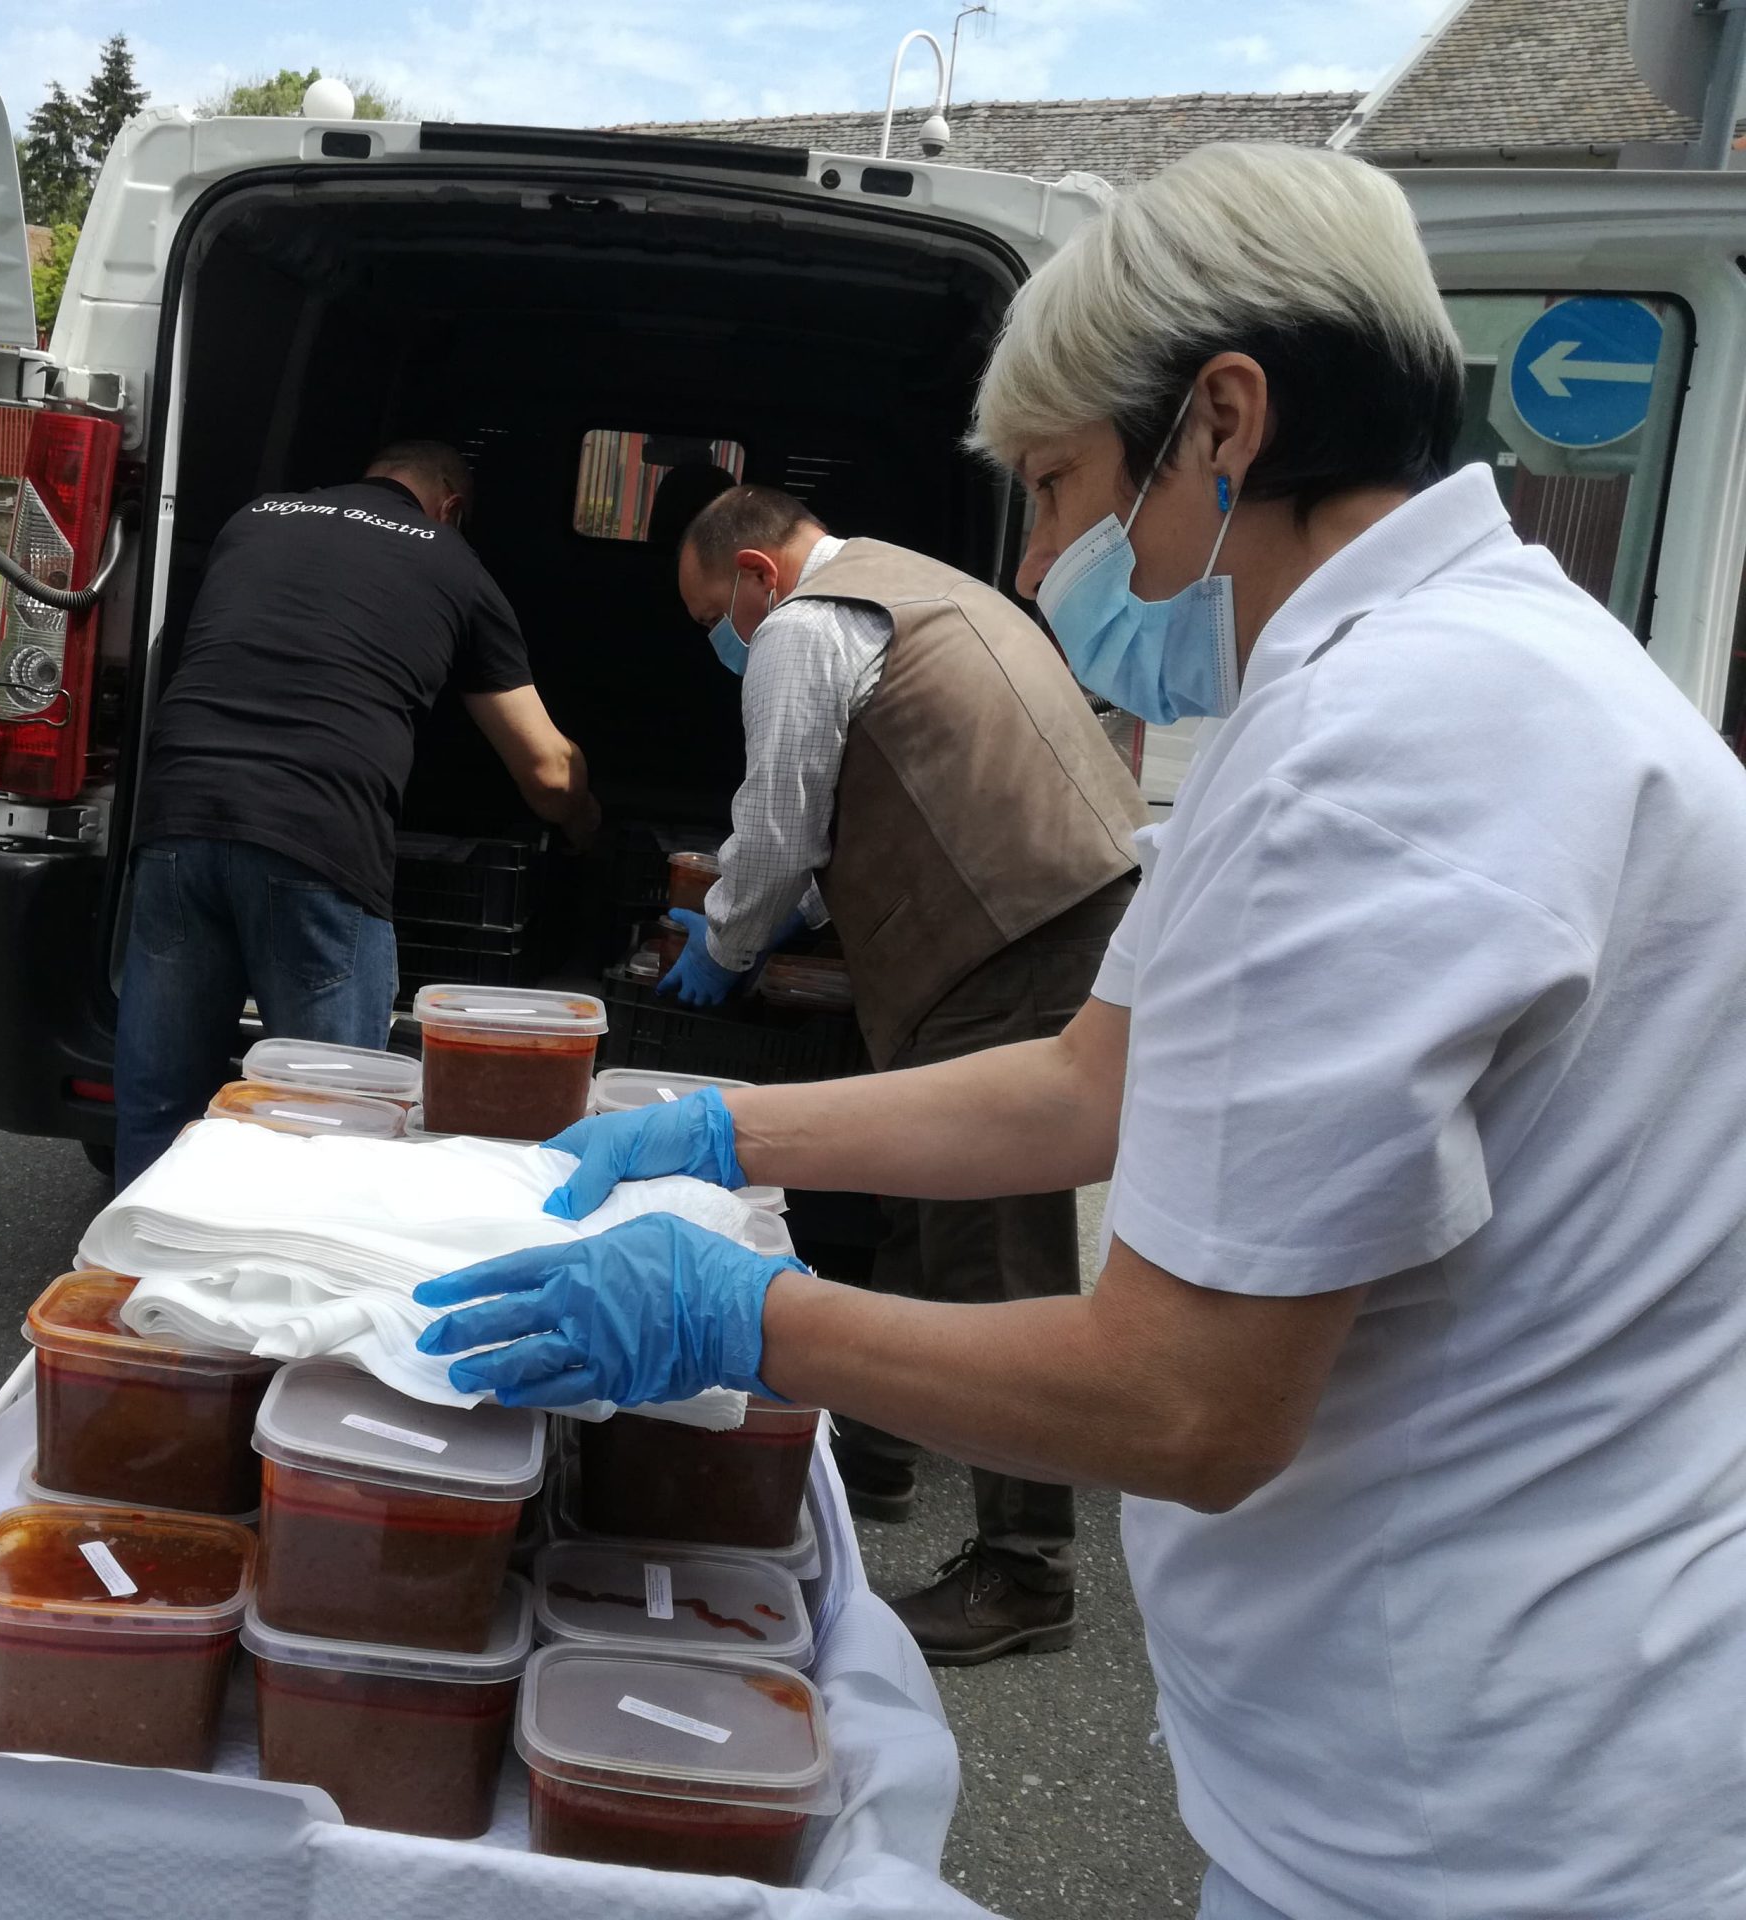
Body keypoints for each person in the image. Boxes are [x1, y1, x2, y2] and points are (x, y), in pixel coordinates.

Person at [412, 143, 1746, 1918]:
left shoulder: (1402, 738)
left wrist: (749, 1317)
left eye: (1055, 489)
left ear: (1225, 421)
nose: (1037, 566)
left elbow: (1188, 1401)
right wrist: (725, 1133)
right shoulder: (1435, 672)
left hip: (1481, 1806)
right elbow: (1085, 1082)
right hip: (1493, 1741)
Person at [662, 481, 1147, 1658]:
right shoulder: (920, 584)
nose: (721, 644)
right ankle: (877, 1449)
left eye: (711, 619)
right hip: (1053, 907)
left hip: (1016, 927)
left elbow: (777, 830)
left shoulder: (803, 625)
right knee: (920, 1198)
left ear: (755, 576)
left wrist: (725, 941)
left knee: (991, 1239)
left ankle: (1026, 1570)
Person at [115, 439, 601, 1186]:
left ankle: (139, 1285)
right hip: (318, 840)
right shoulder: (450, 561)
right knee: (328, 1121)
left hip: (178, 819)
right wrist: (583, 825)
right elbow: (546, 770)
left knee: (162, 1101)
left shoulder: (256, 518)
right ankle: (295, 1289)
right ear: (452, 507)